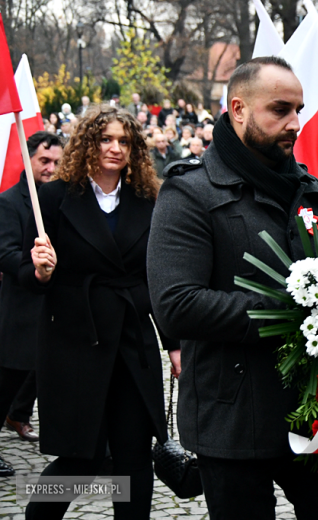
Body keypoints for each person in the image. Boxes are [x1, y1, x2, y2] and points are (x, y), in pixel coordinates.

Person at [147, 56, 318, 520]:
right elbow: (175, 305)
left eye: (299, 110)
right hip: (232, 415)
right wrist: (290, 311)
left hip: (314, 408)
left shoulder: (309, 189)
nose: (295, 123)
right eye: (280, 110)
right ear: (239, 109)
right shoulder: (190, 192)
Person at [20, 105, 177, 519]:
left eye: (124, 141)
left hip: (132, 343)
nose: (115, 148)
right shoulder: (54, 198)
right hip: (74, 341)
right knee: (80, 457)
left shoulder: (149, 199)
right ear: (88, 143)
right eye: (106, 139)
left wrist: (174, 346)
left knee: (133, 456)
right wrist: (41, 270)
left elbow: (159, 277)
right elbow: (28, 273)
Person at [0, 132, 63, 475]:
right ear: (29, 160)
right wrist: (35, 266)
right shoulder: (10, 202)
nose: (51, 168)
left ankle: (20, 416)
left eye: (56, 161)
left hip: (54, 309)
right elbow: (5, 253)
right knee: (8, 379)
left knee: (41, 374)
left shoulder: (60, 199)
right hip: (21, 309)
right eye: (44, 161)